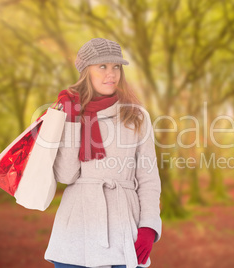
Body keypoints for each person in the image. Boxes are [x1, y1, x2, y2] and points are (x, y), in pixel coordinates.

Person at [44, 38, 162, 268]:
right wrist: (70, 120)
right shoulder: (69, 111)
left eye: (116, 66)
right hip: (76, 230)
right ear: (85, 71)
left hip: (124, 227)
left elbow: (148, 178)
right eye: (102, 66)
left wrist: (148, 226)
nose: (111, 74)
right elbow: (66, 175)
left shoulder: (136, 115)